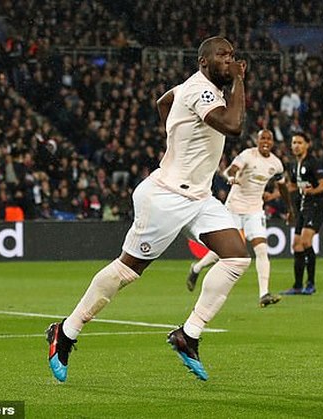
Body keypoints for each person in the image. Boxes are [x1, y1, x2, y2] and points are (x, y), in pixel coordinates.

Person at [46, 36, 249, 383]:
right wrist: (240, 80)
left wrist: (174, 135)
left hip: (199, 198)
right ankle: (65, 331)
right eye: (222, 56)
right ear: (203, 62)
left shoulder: (191, 88)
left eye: (232, 55)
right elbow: (233, 126)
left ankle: (189, 334)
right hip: (167, 196)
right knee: (128, 271)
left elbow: (163, 101)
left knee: (236, 257)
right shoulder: (201, 90)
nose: (229, 61)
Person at [186, 129, 294, 308]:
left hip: (255, 210)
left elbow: (282, 186)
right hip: (234, 207)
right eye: (262, 139)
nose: (265, 142)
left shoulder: (276, 163)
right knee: (226, 250)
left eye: (269, 139)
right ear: (257, 141)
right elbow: (232, 169)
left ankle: (264, 293)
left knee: (261, 250)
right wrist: (231, 177)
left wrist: (289, 208)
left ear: (273, 142)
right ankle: (196, 268)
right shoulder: (247, 156)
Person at [281, 133, 323, 295]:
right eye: (294, 142)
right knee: (296, 245)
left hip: (316, 205)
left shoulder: (313, 163)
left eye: (300, 143)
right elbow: (293, 186)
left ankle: (311, 283)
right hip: (303, 206)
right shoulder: (294, 164)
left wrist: (312, 191)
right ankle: (297, 286)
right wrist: (275, 195)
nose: (296, 145)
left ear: (307, 145)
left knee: (306, 242)